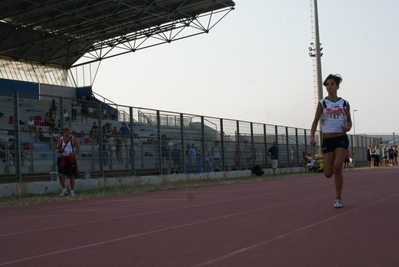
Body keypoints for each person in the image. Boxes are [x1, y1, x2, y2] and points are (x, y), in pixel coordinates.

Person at [310, 74, 351, 209]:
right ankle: (333, 168)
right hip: (328, 140)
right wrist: (312, 137)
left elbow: (349, 121)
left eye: (332, 84)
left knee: (337, 167)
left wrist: (348, 127)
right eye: (327, 84)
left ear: (337, 86)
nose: (329, 86)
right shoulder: (323, 103)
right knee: (328, 173)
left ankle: (338, 198)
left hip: (341, 138)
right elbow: (315, 121)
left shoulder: (344, 103)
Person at [56, 125, 81, 197]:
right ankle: (64, 190)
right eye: (63, 129)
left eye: (66, 129)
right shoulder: (60, 139)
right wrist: (60, 150)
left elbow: (78, 149)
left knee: (71, 176)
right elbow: (57, 149)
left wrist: (74, 153)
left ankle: (72, 191)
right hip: (62, 158)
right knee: (60, 174)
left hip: (70, 158)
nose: (65, 131)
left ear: (69, 130)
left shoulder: (73, 139)